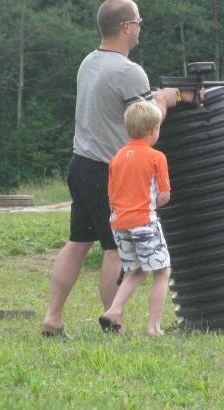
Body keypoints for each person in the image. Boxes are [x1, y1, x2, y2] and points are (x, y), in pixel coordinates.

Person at [41, 0, 185, 337]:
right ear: (126, 27)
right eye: (138, 22)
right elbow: (148, 126)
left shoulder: (89, 62)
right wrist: (163, 99)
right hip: (108, 172)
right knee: (115, 250)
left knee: (77, 243)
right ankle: (113, 323)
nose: (139, 28)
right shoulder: (128, 71)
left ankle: (53, 318)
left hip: (80, 165)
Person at [98, 100, 172, 337]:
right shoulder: (156, 157)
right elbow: (164, 196)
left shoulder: (116, 159)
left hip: (119, 224)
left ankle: (113, 310)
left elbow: (111, 196)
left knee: (137, 270)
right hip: (144, 222)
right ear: (153, 130)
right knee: (162, 271)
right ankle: (153, 327)